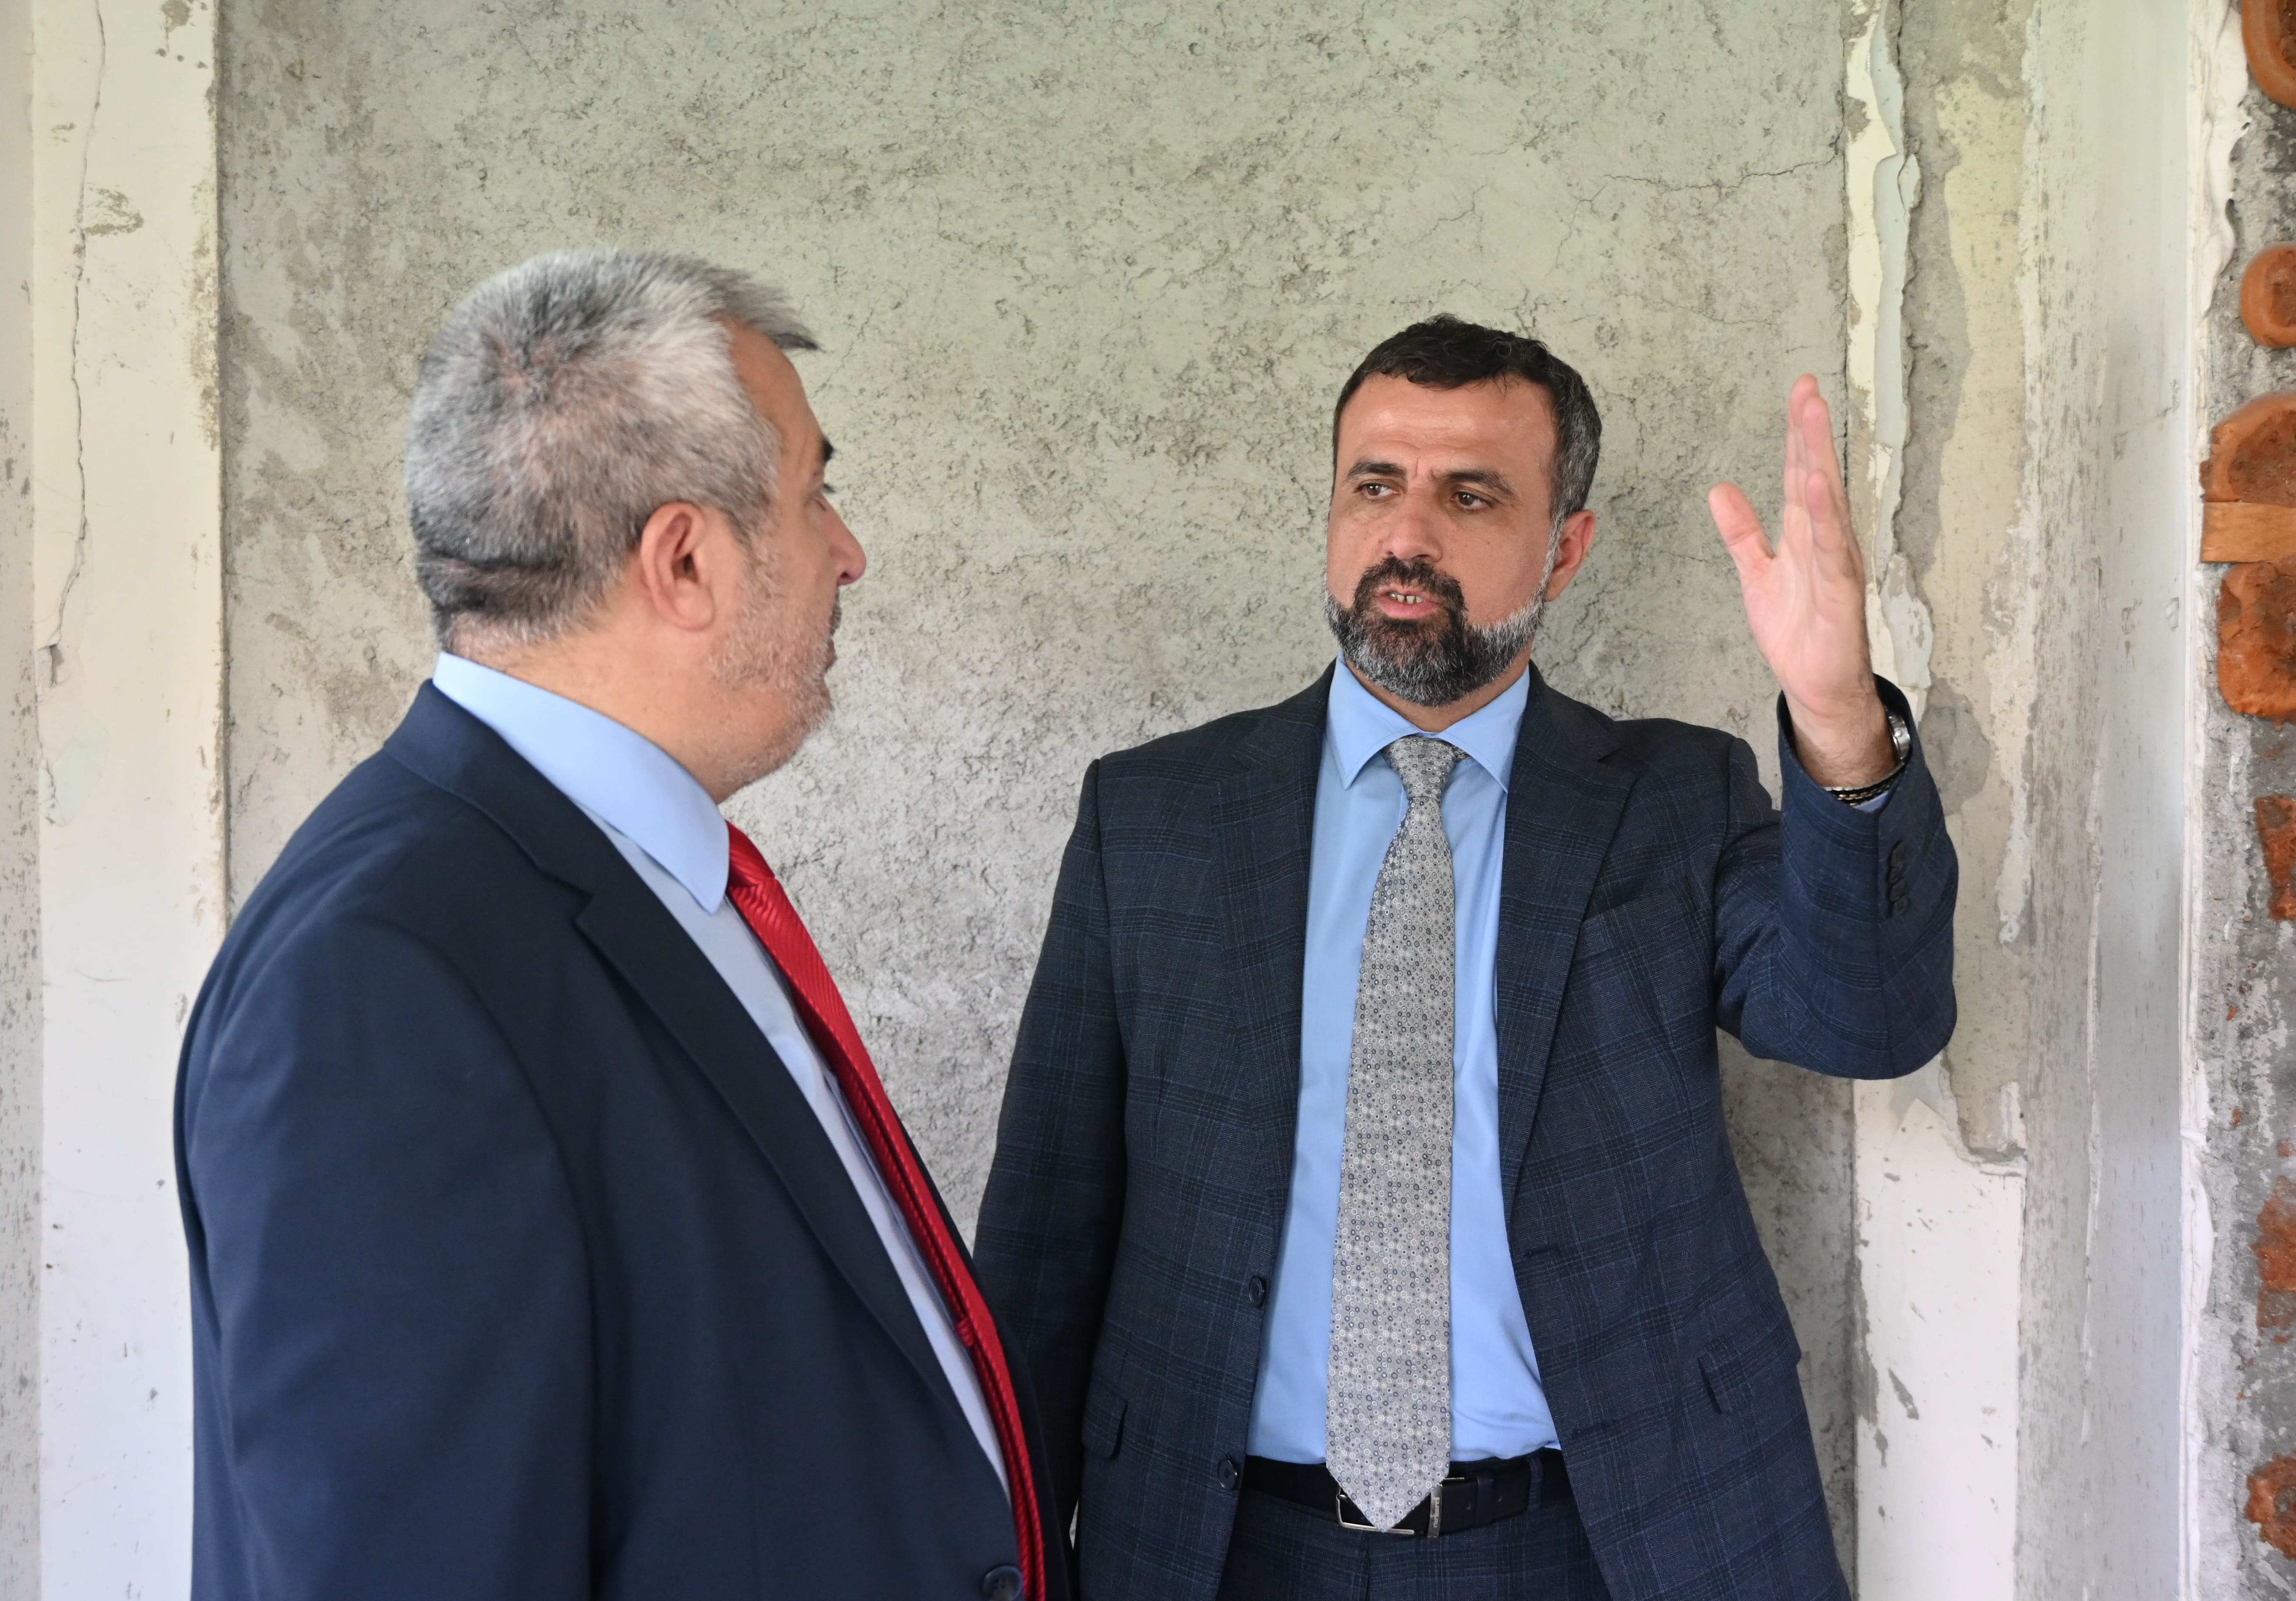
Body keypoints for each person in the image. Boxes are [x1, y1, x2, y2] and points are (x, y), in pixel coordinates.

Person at [975, 315, 1956, 1600]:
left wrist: (1837, 721)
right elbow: (1045, 1233)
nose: (1408, 535)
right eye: (1374, 485)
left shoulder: (1670, 798)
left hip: (1608, 1539)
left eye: (1471, 495)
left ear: (1567, 546)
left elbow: (1866, 1020)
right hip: (1221, 1548)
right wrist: (1005, 1548)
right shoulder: (1155, 816)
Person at [176, 249, 1063, 1601]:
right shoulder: (379, 985)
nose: (848, 552)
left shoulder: (619, 869)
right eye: (816, 492)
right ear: (686, 560)